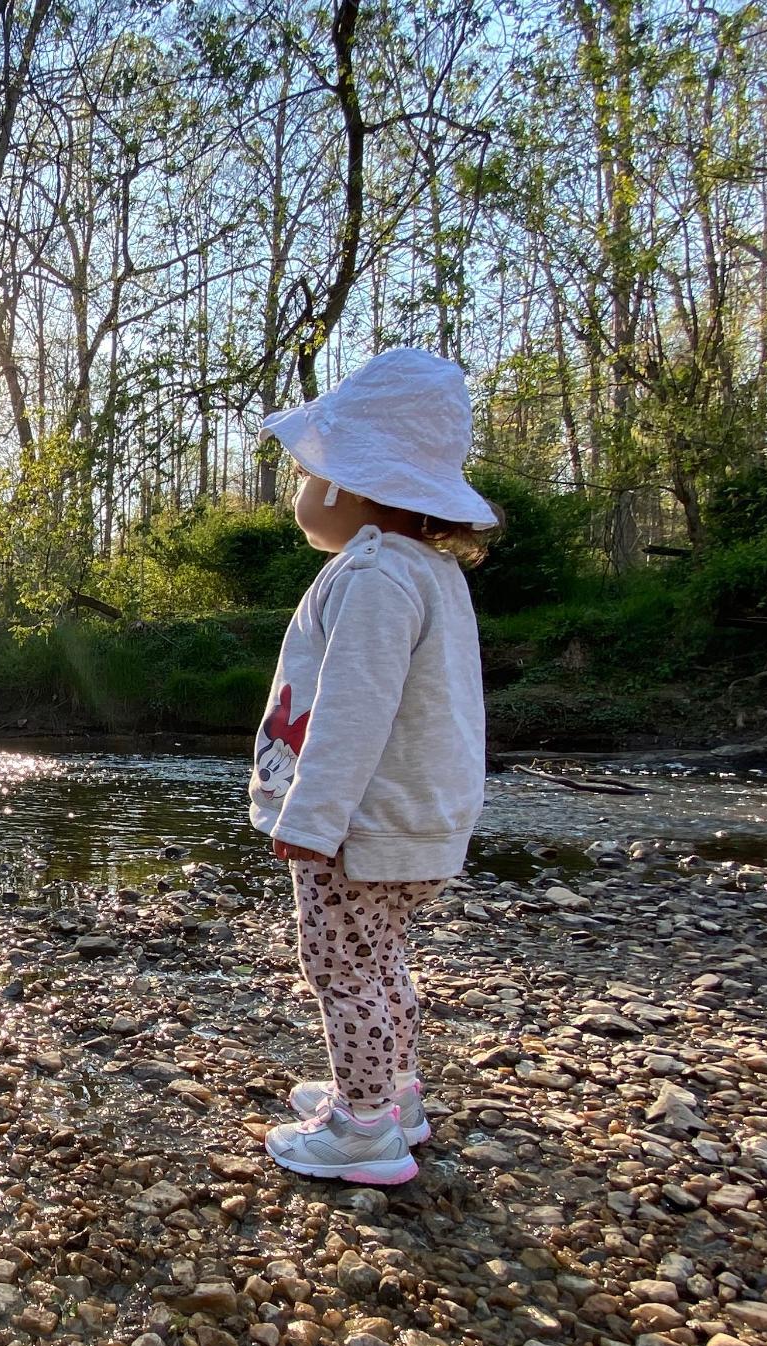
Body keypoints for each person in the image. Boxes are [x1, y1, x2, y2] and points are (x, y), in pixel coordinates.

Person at [249, 348, 501, 1186]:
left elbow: (353, 712)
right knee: (380, 956)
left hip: (357, 827)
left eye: (309, 471)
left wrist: (312, 818)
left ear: (353, 486)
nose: (300, 488)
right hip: (414, 821)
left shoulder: (373, 575)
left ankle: (361, 1129)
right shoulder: (431, 572)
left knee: (341, 967)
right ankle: (394, 1092)